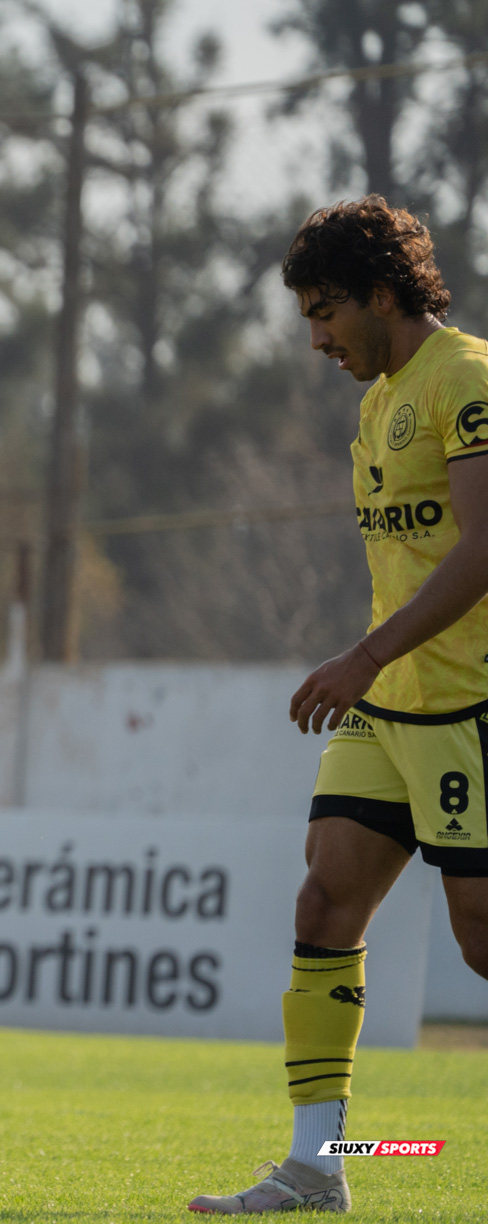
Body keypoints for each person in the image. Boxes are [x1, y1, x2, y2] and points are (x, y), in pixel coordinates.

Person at [189, 196, 488, 1214]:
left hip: (469, 707)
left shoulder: (470, 379)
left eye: (326, 313)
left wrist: (360, 655)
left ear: (379, 292)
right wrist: (372, 670)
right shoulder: (375, 401)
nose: (318, 338)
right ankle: (318, 1166)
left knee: (482, 938)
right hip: (391, 711)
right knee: (324, 902)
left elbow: (485, 552)